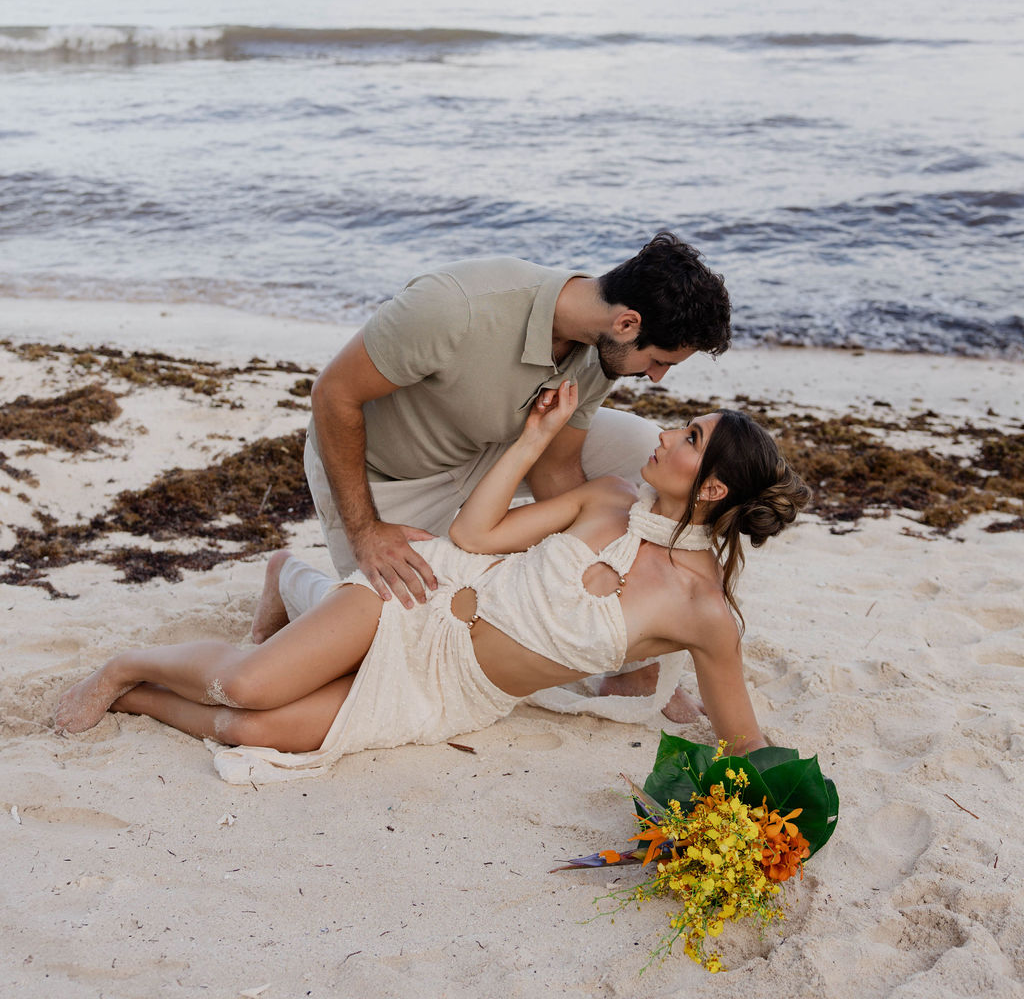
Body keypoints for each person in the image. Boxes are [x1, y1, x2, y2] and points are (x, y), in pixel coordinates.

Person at [54, 381, 809, 786]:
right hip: (425, 600)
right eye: (686, 425)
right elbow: (476, 536)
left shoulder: (704, 613)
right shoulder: (609, 495)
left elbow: (743, 740)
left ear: (711, 491)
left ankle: (157, 685)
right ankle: (129, 663)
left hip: (453, 691)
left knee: (252, 733)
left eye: (690, 439)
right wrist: (534, 440)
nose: (670, 433)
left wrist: (772, 826)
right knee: (248, 687)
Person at [261, 233, 732, 716]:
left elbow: (559, 466)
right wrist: (365, 531)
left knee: (648, 455)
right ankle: (287, 577)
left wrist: (590, 575)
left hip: (498, 448)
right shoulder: (456, 306)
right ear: (628, 322)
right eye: (658, 361)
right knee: (399, 643)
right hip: (388, 476)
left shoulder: (602, 349)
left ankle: (634, 673)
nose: (656, 377)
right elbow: (332, 396)